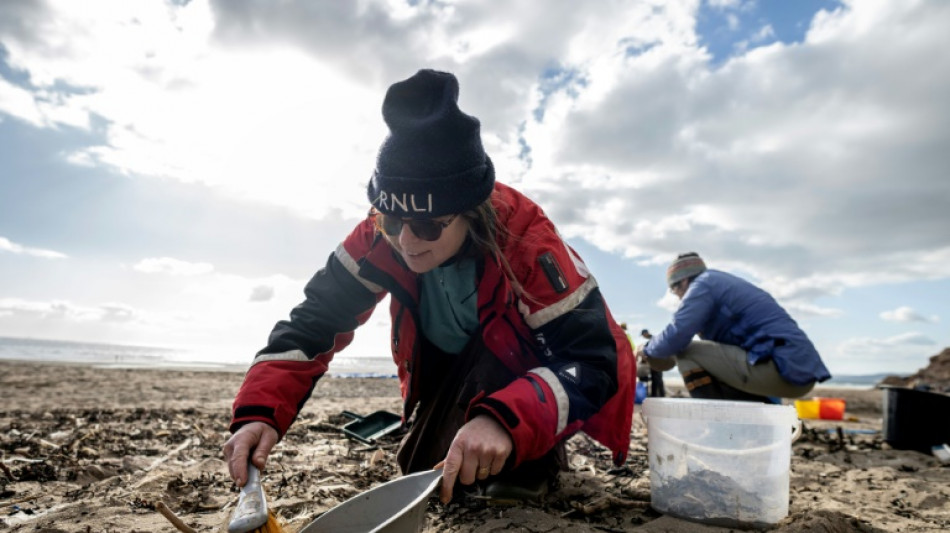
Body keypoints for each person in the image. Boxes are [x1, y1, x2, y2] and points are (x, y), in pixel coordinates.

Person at [223, 69, 635, 505]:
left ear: (471, 213)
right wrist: (257, 415)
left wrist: (503, 421)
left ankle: (534, 455)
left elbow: (592, 364)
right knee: (423, 468)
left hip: (524, 371)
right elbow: (314, 322)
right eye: (392, 220)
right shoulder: (377, 235)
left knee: (489, 472)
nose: (406, 242)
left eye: (426, 225)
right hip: (446, 371)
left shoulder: (528, 242)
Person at [636, 252, 830, 401]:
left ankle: (715, 426)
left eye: (674, 289)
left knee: (687, 353)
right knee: (711, 360)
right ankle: (752, 421)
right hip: (793, 368)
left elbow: (676, 335)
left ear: (685, 281)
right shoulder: (720, 284)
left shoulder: (704, 285)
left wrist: (647, 348)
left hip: (783, 369)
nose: (677, 296)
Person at [639, 329, 665, 397]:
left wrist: (644, 358)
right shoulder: (654, 339)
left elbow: (648, 352)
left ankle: (655, 395)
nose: (643, 337)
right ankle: (661, 394)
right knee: (658, 379)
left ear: (645, 333)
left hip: (656, 363)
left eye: (643, 335)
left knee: (656, 380)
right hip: (658, 362)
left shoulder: (652, 340)